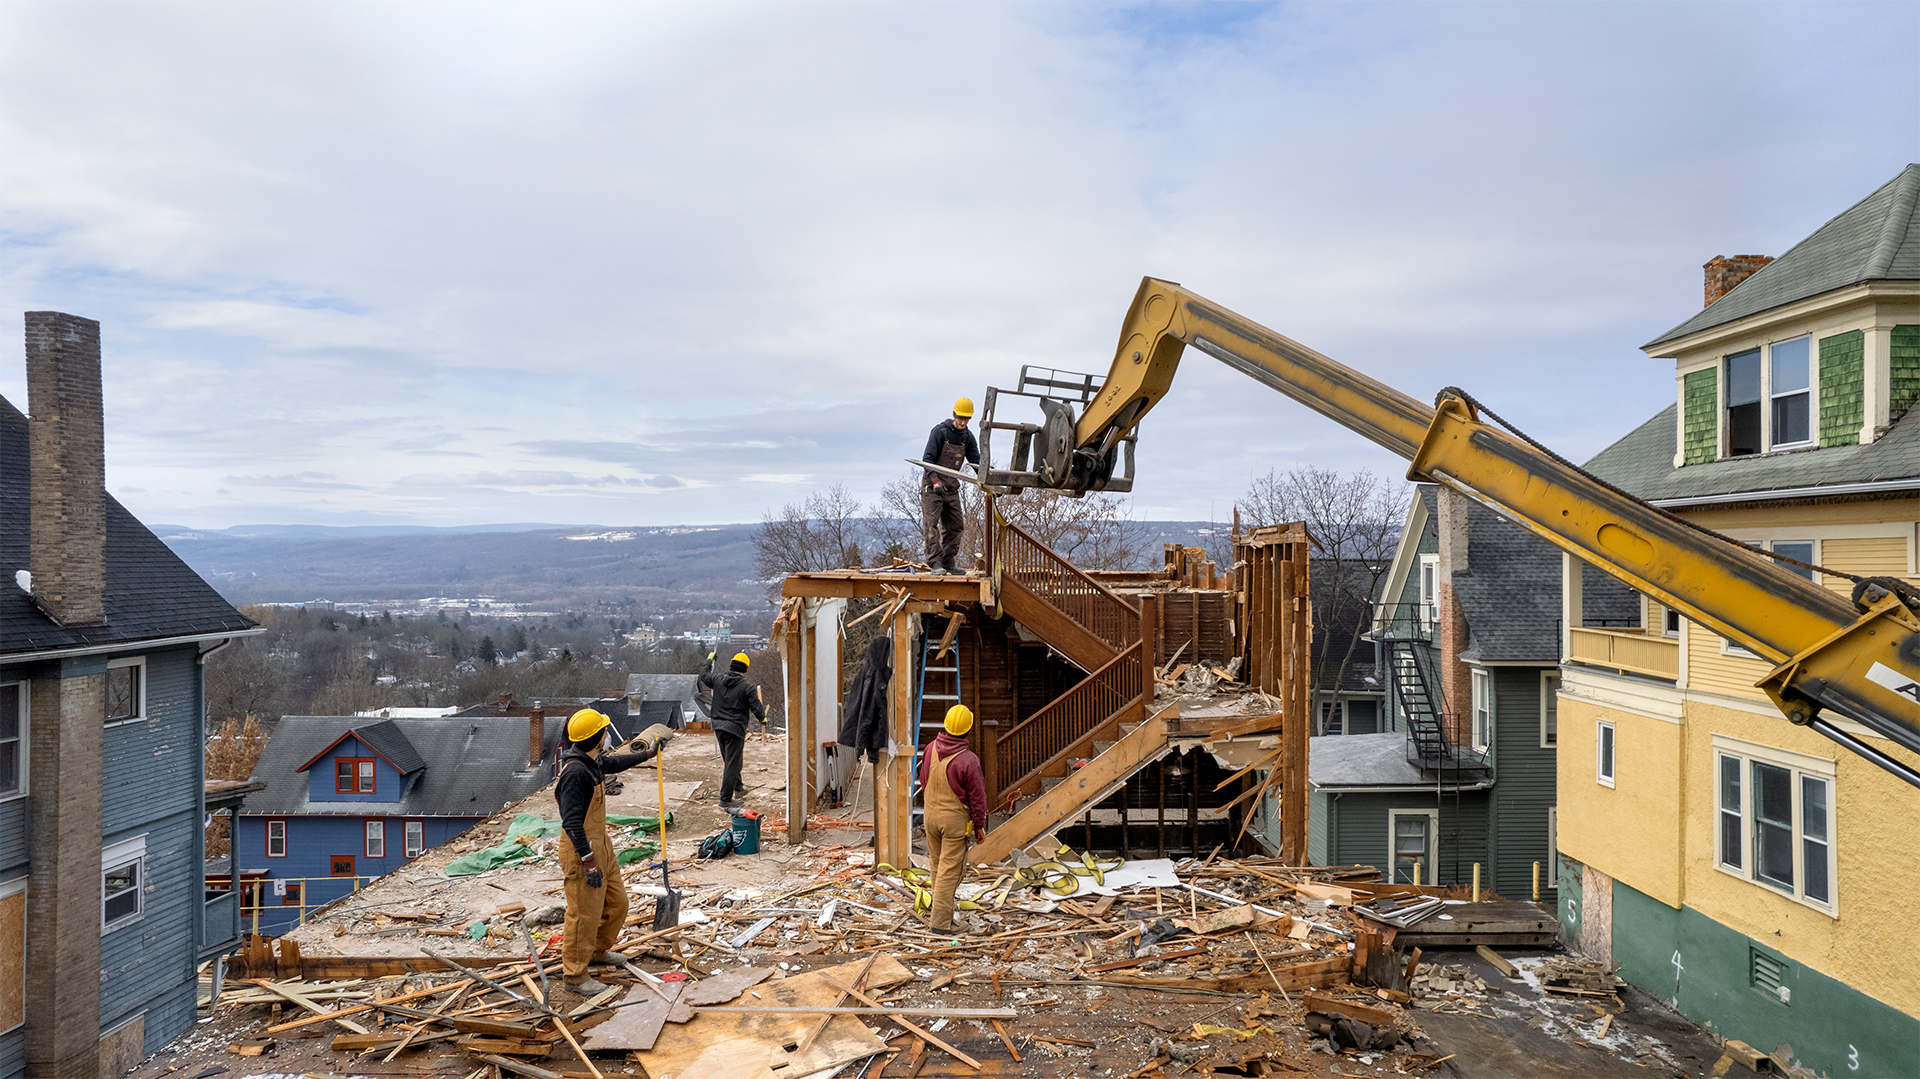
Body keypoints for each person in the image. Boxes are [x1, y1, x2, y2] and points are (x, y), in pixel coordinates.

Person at [556, 708, 659, 995]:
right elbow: (571, 821)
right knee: (583, 914)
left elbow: (614, 764)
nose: (607, 735)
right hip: (582, 850)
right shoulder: (576, 773)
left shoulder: (592, 761)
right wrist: (588, 862)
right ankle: (575, 975)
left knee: (617, 904)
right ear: (597, 738)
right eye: (604, 731)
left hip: (601, 844)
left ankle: (598, 951)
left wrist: (647, 754)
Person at [916, 705, 987, 934]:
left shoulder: (929, 749)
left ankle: (940, 911)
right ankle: (940, 925)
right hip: (954, 821)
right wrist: (979, 826)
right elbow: (978, 798)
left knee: (937, 866)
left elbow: (923, 780)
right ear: (968, 730)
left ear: (945, 725)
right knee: (949, 871)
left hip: (930, 816)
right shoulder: (968, 760)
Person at [921, 396, 980, 575]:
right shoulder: (940, 432)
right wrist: (935, 481)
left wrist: (989, 480)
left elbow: (976, 462)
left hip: (951, 487)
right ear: (954, 415)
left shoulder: (967, 437)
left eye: (966, 419)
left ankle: (948, 561)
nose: (962, 422)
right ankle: (935, 563)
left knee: (956, 526)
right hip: (933, 486)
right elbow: (927, 459)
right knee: (931, 525)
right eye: (960, 418)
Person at [699, 651, 765, 808]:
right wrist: (763, 718)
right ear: (745, 669)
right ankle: (726, 799)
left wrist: (709, 661)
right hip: (735, 728)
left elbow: (703, 675)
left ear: (731, 665)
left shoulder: (717, 680)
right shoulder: (746, 688)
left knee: (731, 761)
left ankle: (738, 788)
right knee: (732, 764)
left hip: (718, 727)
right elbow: (756, 705)